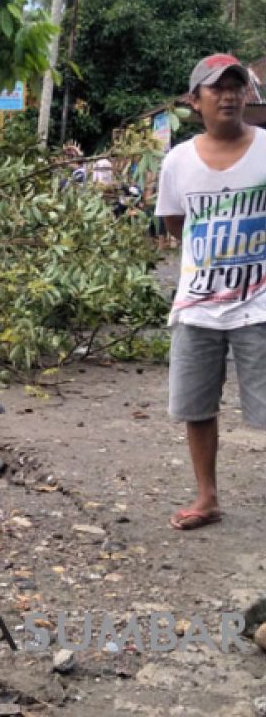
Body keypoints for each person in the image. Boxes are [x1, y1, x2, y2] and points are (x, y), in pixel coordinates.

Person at [155, 53, 266, 530]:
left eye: (235, 86)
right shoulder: (177, 162)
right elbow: (178, 225)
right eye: (216, 88)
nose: (227, 95)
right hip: (197, 307)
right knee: (196, 407)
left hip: (260, 307)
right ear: (194, 100)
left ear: (246, 93)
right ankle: (208, 498)